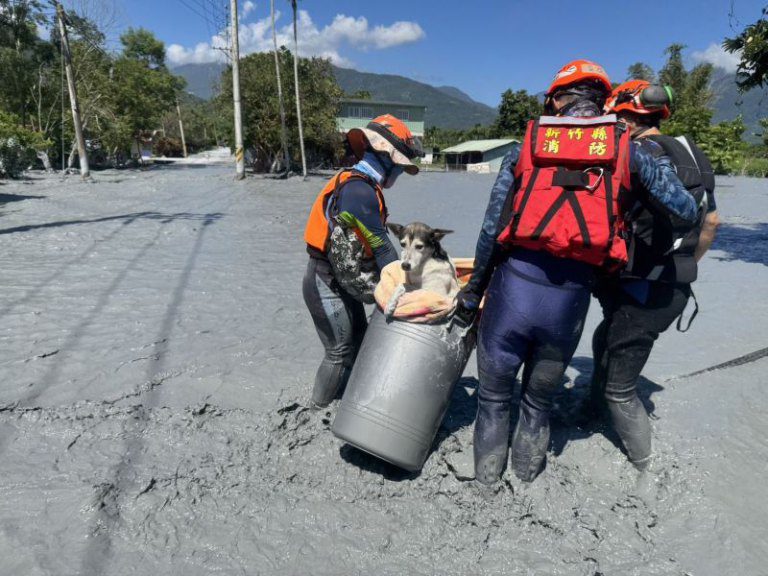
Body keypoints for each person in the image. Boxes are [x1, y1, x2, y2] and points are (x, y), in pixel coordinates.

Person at [455, 60, 699, 485]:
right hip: (569, 303)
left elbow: (492, 230)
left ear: (555, 100)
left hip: (513, 293)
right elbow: (686, 209)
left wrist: (473, 292)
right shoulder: (628, 149)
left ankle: (487, 488)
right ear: (603, 102)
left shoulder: (525, 146)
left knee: (493, 400)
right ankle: (527, 481)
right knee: (537, 405)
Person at [584, 80, 720, 470]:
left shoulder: (636, 155)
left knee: (621, 389)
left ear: (626, 119)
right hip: (672, 287)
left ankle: (646, 468)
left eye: (615, 119)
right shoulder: (691, 152)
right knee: (605, 338)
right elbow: (711, 221)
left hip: (643, 287)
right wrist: (685, 263)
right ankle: (590, 414)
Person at [302, 114, 424, 409]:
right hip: (325, 282)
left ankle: (346, 405)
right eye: (400, 166)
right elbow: (382, 248)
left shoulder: (362, 185)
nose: (400, 173)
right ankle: (316, 410)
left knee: (358, 340)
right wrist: (408, 288)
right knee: (339, 352)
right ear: (387, 157)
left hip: (337, 281)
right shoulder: (359, 191)